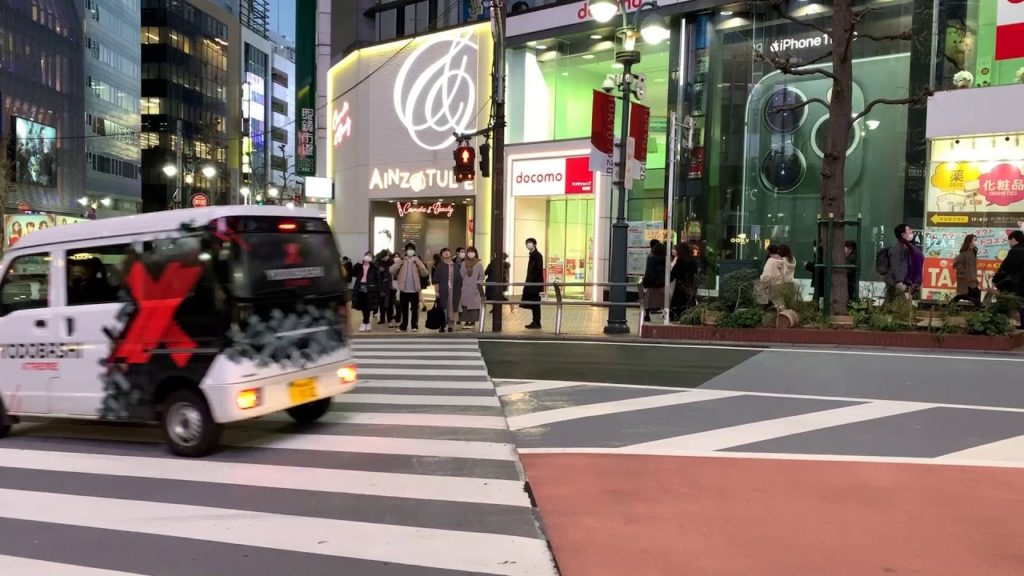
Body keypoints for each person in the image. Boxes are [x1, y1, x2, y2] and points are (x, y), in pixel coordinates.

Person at [880, 223, 924, 302]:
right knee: (899, 306)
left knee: (903, 305)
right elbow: (895, 266)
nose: (911, 231)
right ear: (903, 234)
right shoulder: (897, 248)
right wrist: (899, 282)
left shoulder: (911, 247)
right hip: (901, 284)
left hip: (911, 283)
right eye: (909, 230)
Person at [390, 242, 428, 332]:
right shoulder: (402, 260)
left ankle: (414, 325)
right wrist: (399, 261)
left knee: (414, 309)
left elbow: (425, 273)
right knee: (404, 310)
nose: (410, 251)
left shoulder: (417, 260)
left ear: (414, 251)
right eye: (408, 249)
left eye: (412, 249)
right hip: (404, 289)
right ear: (406, 250)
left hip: (414, 290)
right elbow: (392, 270)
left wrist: (418, 262)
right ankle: (403, 326)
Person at [992, 230, 1024, 329]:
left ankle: (1017, 326)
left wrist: (996, 279)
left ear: (1013, 239)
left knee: (1014, 305)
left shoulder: (1016, 251)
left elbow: (1005, 268)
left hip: (1017, 285)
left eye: (1009, 241)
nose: (1009, 243)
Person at [431, 248, 462, 332]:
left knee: (452, 306)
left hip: (453, 289)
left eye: (447, 251)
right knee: (443, 307)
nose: (446, 253)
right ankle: (442, 324)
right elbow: (436, 280)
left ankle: (450, 325)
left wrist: (459, 289)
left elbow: (459, 279)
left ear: (450, 253)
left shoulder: (455, 266)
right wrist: (436, 291)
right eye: (444, 252)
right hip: (443, 289)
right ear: (441, 255)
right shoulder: (440, 266)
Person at [670, 242, 698, 320]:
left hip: (680, 290)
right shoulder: (693, 261)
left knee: (680, 308)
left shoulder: (680, 262)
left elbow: (673, 275)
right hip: (690, 289)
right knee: (689, 307)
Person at [353, 251, 380, 332]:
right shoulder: (360, 266)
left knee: (367, 306)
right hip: (360, 287)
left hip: (369, 288)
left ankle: (365, 322)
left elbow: (377, 279)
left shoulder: (374, 267)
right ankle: (367, 323)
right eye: (367, 255)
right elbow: (353, 273)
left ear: (371, 258)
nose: (368, 257)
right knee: (362, 305)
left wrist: (376, 288)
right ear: (364, 256)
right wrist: (357, 264)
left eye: (370, 256)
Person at [520, 238, 544, 329]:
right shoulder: (532, 255)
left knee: (535, 303)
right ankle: (535, 321)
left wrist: (533, 283)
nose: (528, 245)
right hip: (532, 283)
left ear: (534, 244)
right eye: (527, 243)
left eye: (530, 243)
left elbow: (537, 271)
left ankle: (537, 322)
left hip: (535, 284)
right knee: (534, 303)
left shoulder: (537, 255)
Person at [952, 234, 980, 306]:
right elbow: (956, 263)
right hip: (967, 280)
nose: (976, 242)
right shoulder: (964, 254)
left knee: (964, 295)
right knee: (975, 294)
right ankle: (979, 313)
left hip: (972, 279)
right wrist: (963, 272)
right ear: (969, 242)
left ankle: (948, 307)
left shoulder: (973, 252)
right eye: (974, 240)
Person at [642, 240, 667, 320]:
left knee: (649, 299)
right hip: (663, 284)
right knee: (662, 298)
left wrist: (645, 283)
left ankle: (647, 315)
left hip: (652, 284)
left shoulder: (651, 259)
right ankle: (665, 313)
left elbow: (649, 273)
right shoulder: (666, 259)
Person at [460, 246, 484, 328]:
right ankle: (466, 321)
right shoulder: (464, 263)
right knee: (465, 305)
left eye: (472, 252)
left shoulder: (479, 264)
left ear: (475, 253)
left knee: (474, 306)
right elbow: (461, 274)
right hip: (465, 288)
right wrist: (466, 268)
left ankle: (473, 322)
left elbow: (482, 276)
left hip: (475, 288)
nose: (470, 253)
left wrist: (478, 285)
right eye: (469, 252)